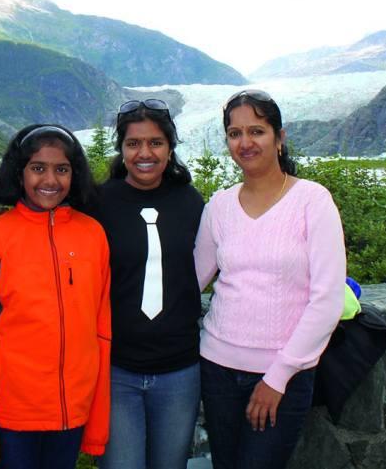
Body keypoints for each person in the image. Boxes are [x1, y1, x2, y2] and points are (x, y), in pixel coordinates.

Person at [193, 89, 346, 469]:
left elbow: (327, 299)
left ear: (279, 137)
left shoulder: (313, 201)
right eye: (234, 133)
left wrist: (277, 377)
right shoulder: (219, 206)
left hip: (284, 374)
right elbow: (190, 280)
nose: (245, 143)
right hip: (217, 367)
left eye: (257, 131)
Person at [0, 124, 111, 469]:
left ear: (75, 174)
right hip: (11, 414)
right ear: (19, 172)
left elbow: (101, 330)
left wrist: (97, 418)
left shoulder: (93, 235)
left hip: (72, 410)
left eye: (62, 169)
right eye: (38, 168)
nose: (50, 180)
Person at [91, 100, 205, 469]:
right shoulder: (98, 203)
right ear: (121, 148)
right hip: (116, 370)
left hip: (179, 370)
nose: (144, 153)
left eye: (155, 142)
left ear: (170, 148)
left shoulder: (190, 202)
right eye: (133, 143)